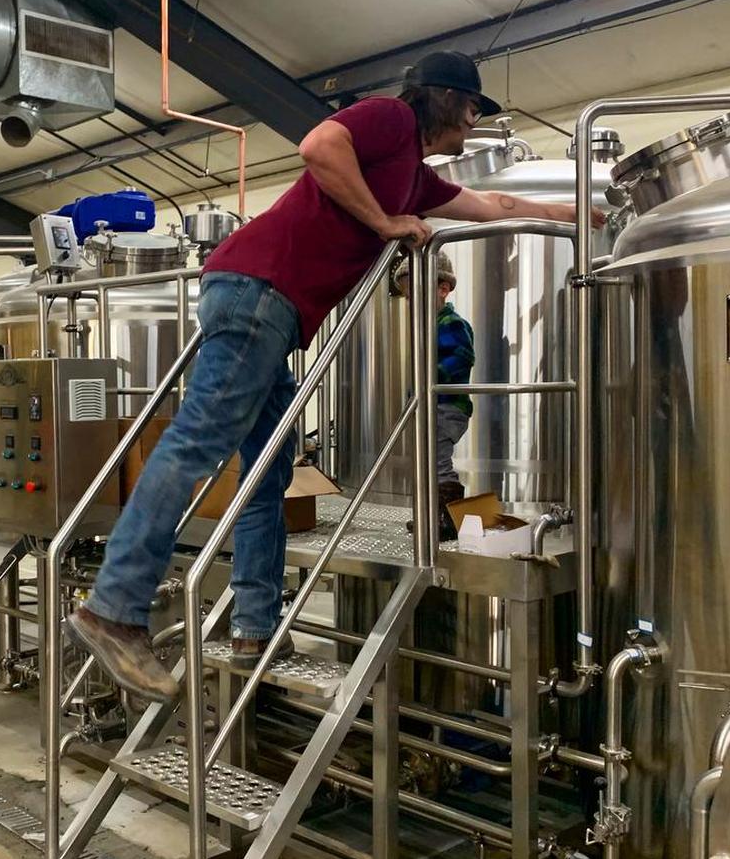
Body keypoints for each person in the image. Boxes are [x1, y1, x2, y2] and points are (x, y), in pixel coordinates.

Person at [69, 50, 605, 702]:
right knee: (194, 444)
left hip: (271, 307)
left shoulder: (415, 178)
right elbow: (319, 144)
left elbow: (493, 202)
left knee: (268, 467)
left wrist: (578, 217)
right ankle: (115, 608)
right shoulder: (387, 121)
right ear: (438, 98)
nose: (470, 125)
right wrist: (382, 224)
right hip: (258, 290)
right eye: (469, 109)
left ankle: (255, 627)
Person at [396, 251, 474, 540]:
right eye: (407, 296)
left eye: (416, 293)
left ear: (443, 288)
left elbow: (462, 357)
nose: (411, 301)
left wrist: (431, 378)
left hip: (446, 405)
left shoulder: (452, 323)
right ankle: (431, 517)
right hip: (432, 403)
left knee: (439, 463)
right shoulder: (429, 325)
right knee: (426, 462)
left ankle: (448, 521)